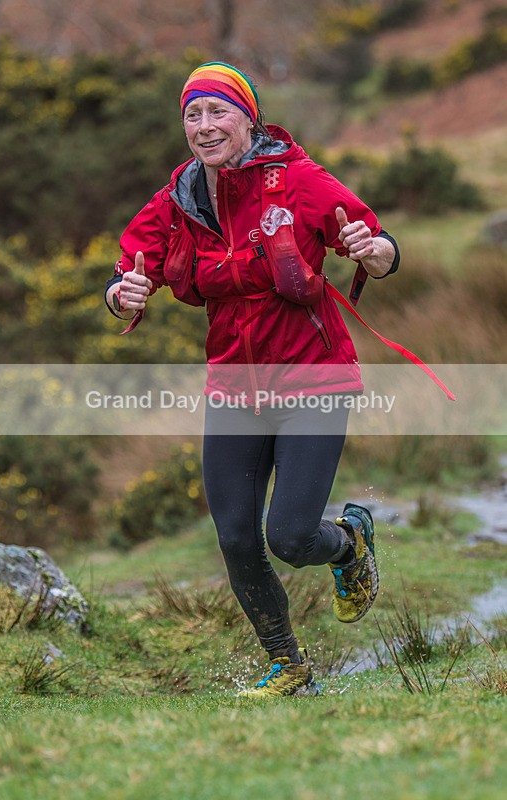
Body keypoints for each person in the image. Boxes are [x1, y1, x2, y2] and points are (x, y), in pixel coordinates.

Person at [104, 61, 400, 698]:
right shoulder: (179, 198)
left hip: (312, 379)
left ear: (249, 118)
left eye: (219, 111)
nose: (205, 126)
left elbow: (377, 243)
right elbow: (129, 268)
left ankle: (348, 545)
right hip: (235, 387)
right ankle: (288, 665)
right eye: (193, 114)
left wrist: (375, 253)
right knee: (236, 537)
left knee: (289, 536)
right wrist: (120, 294)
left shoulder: (298, 180)